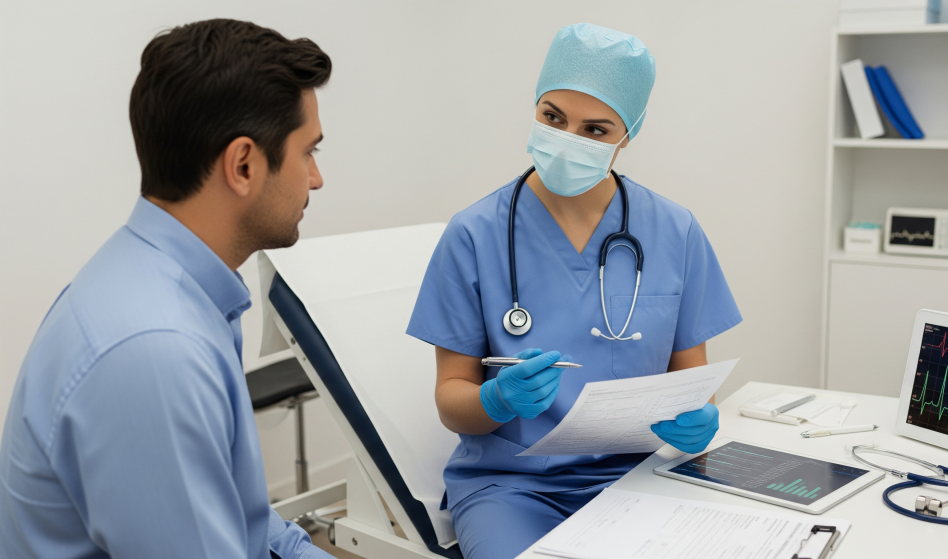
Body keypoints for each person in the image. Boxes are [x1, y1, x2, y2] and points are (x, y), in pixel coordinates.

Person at [406, 23, 743, 559]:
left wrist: (697, 419)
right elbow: (453, 399)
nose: (568, 140)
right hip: (511, 486)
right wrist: (495, 400)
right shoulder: (473, 234)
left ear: (627, 133)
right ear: (536, 108)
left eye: (595, 130)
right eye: (553, 118)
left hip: (642, 475)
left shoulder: (675, 232)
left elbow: (692, 381)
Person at [0, 19, 335, 558]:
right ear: (244, 164)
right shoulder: (156, 350)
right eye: (308, 152)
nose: (316, 178)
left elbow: (239, 511)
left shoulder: (173, 288)